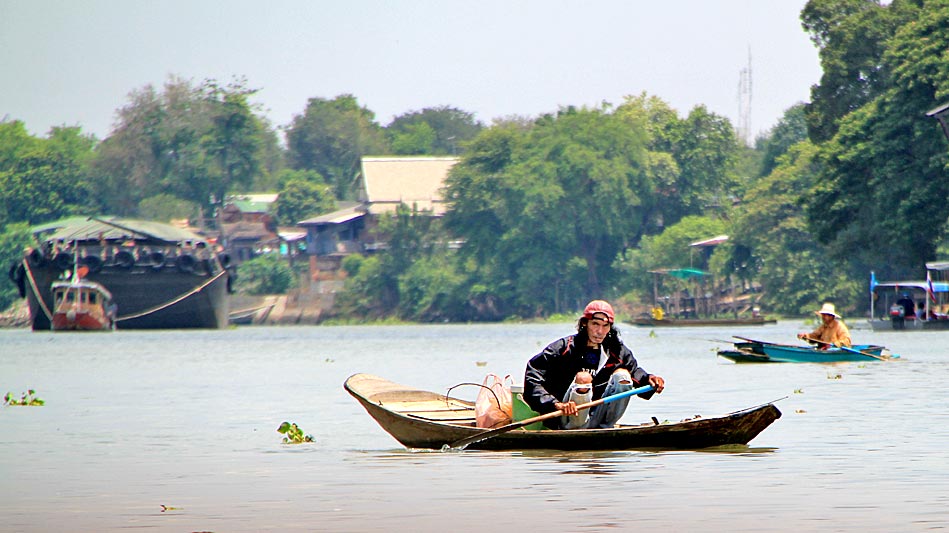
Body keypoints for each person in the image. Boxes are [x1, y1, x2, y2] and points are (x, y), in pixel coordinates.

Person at [524, 300, 665, 430]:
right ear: (585, 323)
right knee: (584, 378)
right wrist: (555, 404)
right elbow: (533, 378)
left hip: (598, 418)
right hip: (567, 418)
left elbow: (635, 374)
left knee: (623, 376)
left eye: (605, 326)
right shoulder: (563, 348)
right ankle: (576, 429)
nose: (600, 331)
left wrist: (650, 380)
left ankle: (605, 428)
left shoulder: (616, 351)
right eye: (595, 324)